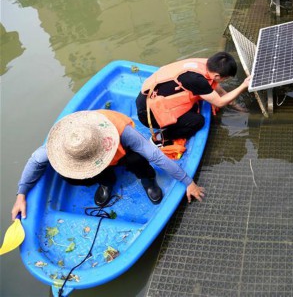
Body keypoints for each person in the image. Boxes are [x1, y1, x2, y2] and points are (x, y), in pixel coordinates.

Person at [11, 110, 205, 221]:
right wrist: (21, 195)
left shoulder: (122, 132)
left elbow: (156, 156)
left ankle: (147, 180)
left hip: (121, 153)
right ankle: (106, 181)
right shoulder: (64, 143)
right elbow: (35, 161)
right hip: (93, 157)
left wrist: (188, 182)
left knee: (137, 159)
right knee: (68, 176)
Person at [136, 52, 250, 145]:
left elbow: (216, 87)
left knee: (197, 105)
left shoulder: (205, 64)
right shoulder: (197, 80)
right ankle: (160, 138)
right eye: (225, 79)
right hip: (149, 115)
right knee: (197, 121)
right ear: (217, 76)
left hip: (144, 99)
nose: (224, 81)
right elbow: (219, 102)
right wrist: (243, 86)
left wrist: (236, 106)